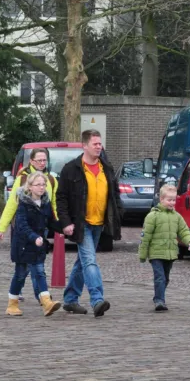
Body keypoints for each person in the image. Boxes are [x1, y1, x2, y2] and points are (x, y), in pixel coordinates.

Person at [57, 129, 122, 317]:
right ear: (84, 145)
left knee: (83, 261)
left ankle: (70, 299)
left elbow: (114, 193)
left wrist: (118, 212)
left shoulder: (106, 168)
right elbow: (61, 198)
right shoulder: (71, 169)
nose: (99, 147)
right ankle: (97, 299)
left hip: (99, 223)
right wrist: (66, 222)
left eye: (100, 143)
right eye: (95, 144)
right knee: (90, 260)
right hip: (81, 223)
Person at [0, 148, 58, 302]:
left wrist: (60, 226)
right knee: (24, 270)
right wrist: (2, 226)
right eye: (39, 160)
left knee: (38, 267)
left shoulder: (51, 179)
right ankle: (38, 297)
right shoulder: (23, 179)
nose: (42, 163)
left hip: (40, 229)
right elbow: (12, 204)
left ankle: (43, 298)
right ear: (31, 161)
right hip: (25, 231)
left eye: (45, 160)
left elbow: (53, 205)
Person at [6, 172, 63, 317]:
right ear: (30, 187)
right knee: (20, 275)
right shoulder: (23, 203)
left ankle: (46, 303)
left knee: (39, 272)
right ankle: (12, 304)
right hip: (23, 245)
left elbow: (50, 221)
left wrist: (64, 228)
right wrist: (34, 237)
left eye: (43, 184)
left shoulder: (45, 202)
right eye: (38, 185)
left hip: (38, 246)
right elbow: (22, 226)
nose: (41, 187)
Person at [138, 185, 190, 311]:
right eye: (169, 200)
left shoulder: (177, 217)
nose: (172, 203)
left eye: (174, 200)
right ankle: (160, 301)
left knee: (166, 278)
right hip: (156, 253)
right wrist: (142, 254)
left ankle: (158, 296)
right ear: (162, 200)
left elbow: (184, 231)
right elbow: (145, 236)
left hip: (170, 254)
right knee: (160, 277)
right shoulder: (153, 216)